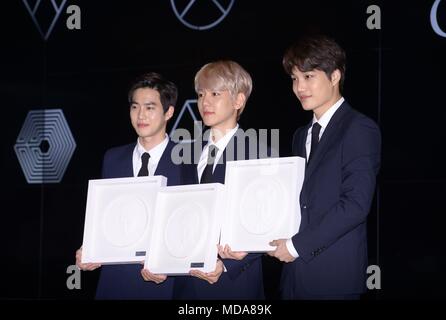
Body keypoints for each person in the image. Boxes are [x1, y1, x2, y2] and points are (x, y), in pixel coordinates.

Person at [268, 35, 381, 299]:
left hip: (334, 278)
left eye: (308, 77)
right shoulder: (300, 135)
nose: (299, 87)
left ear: (334, 76)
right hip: (293, 278)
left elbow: (355, 204)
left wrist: (296, 246)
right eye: (295, 79)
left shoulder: (359, 128)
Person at [75, 72, 182, 299]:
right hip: (113, 283)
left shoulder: (186, 161)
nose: (140, 115)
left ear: (169, 112)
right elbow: (104, 218)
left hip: (163, 286)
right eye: (135, 107)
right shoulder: (113, 158)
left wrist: (169, 264)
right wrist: (89, 249)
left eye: (150, 107)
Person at [172, 60, 265, 299]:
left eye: (215, 93)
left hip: (234, 285)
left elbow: (267, 222)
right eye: (201, 94)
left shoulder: (259, 153)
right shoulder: (185, 153)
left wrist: (225, 265)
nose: (205, 102)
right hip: (186, 284)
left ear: (238, 101)